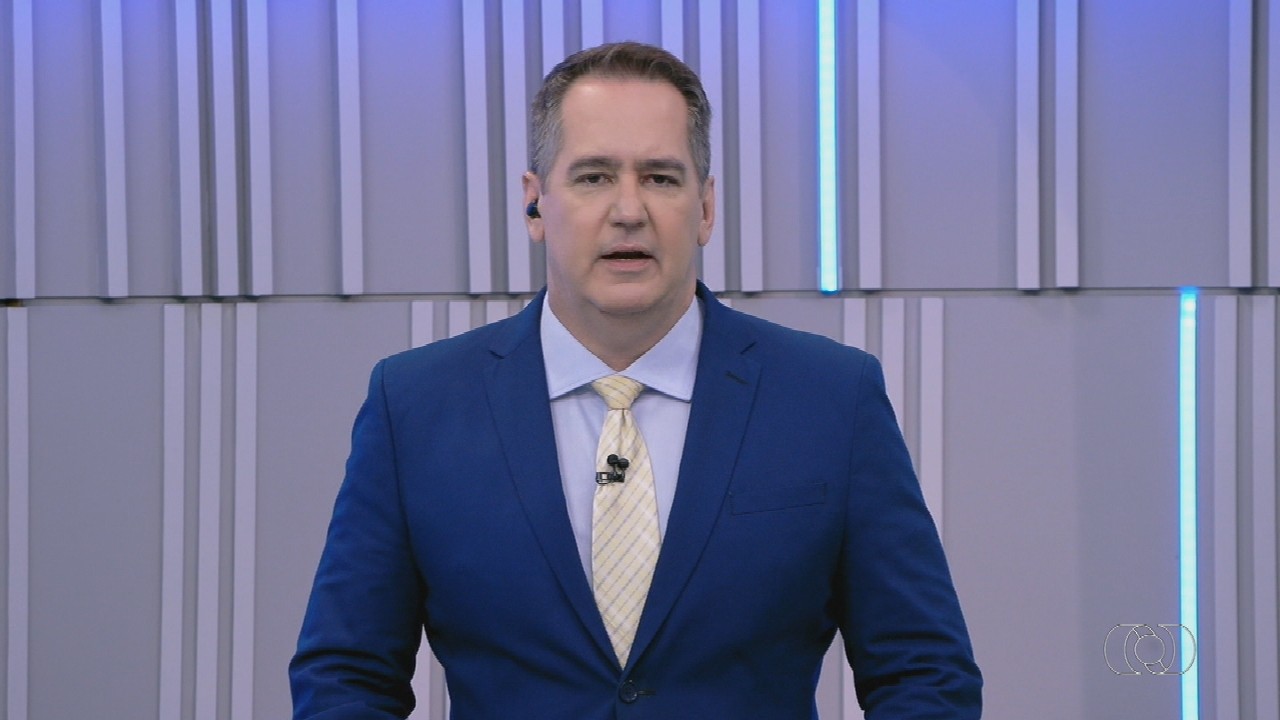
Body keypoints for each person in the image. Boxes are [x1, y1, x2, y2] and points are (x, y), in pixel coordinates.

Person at [290, 41, 981, 719]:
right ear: (535, 204)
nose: (628, 210)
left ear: (705, 207)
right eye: (594, 177)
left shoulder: (831, 399)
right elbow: (346, 678)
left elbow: (925, 675)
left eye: (660, 178)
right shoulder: (415, 407)